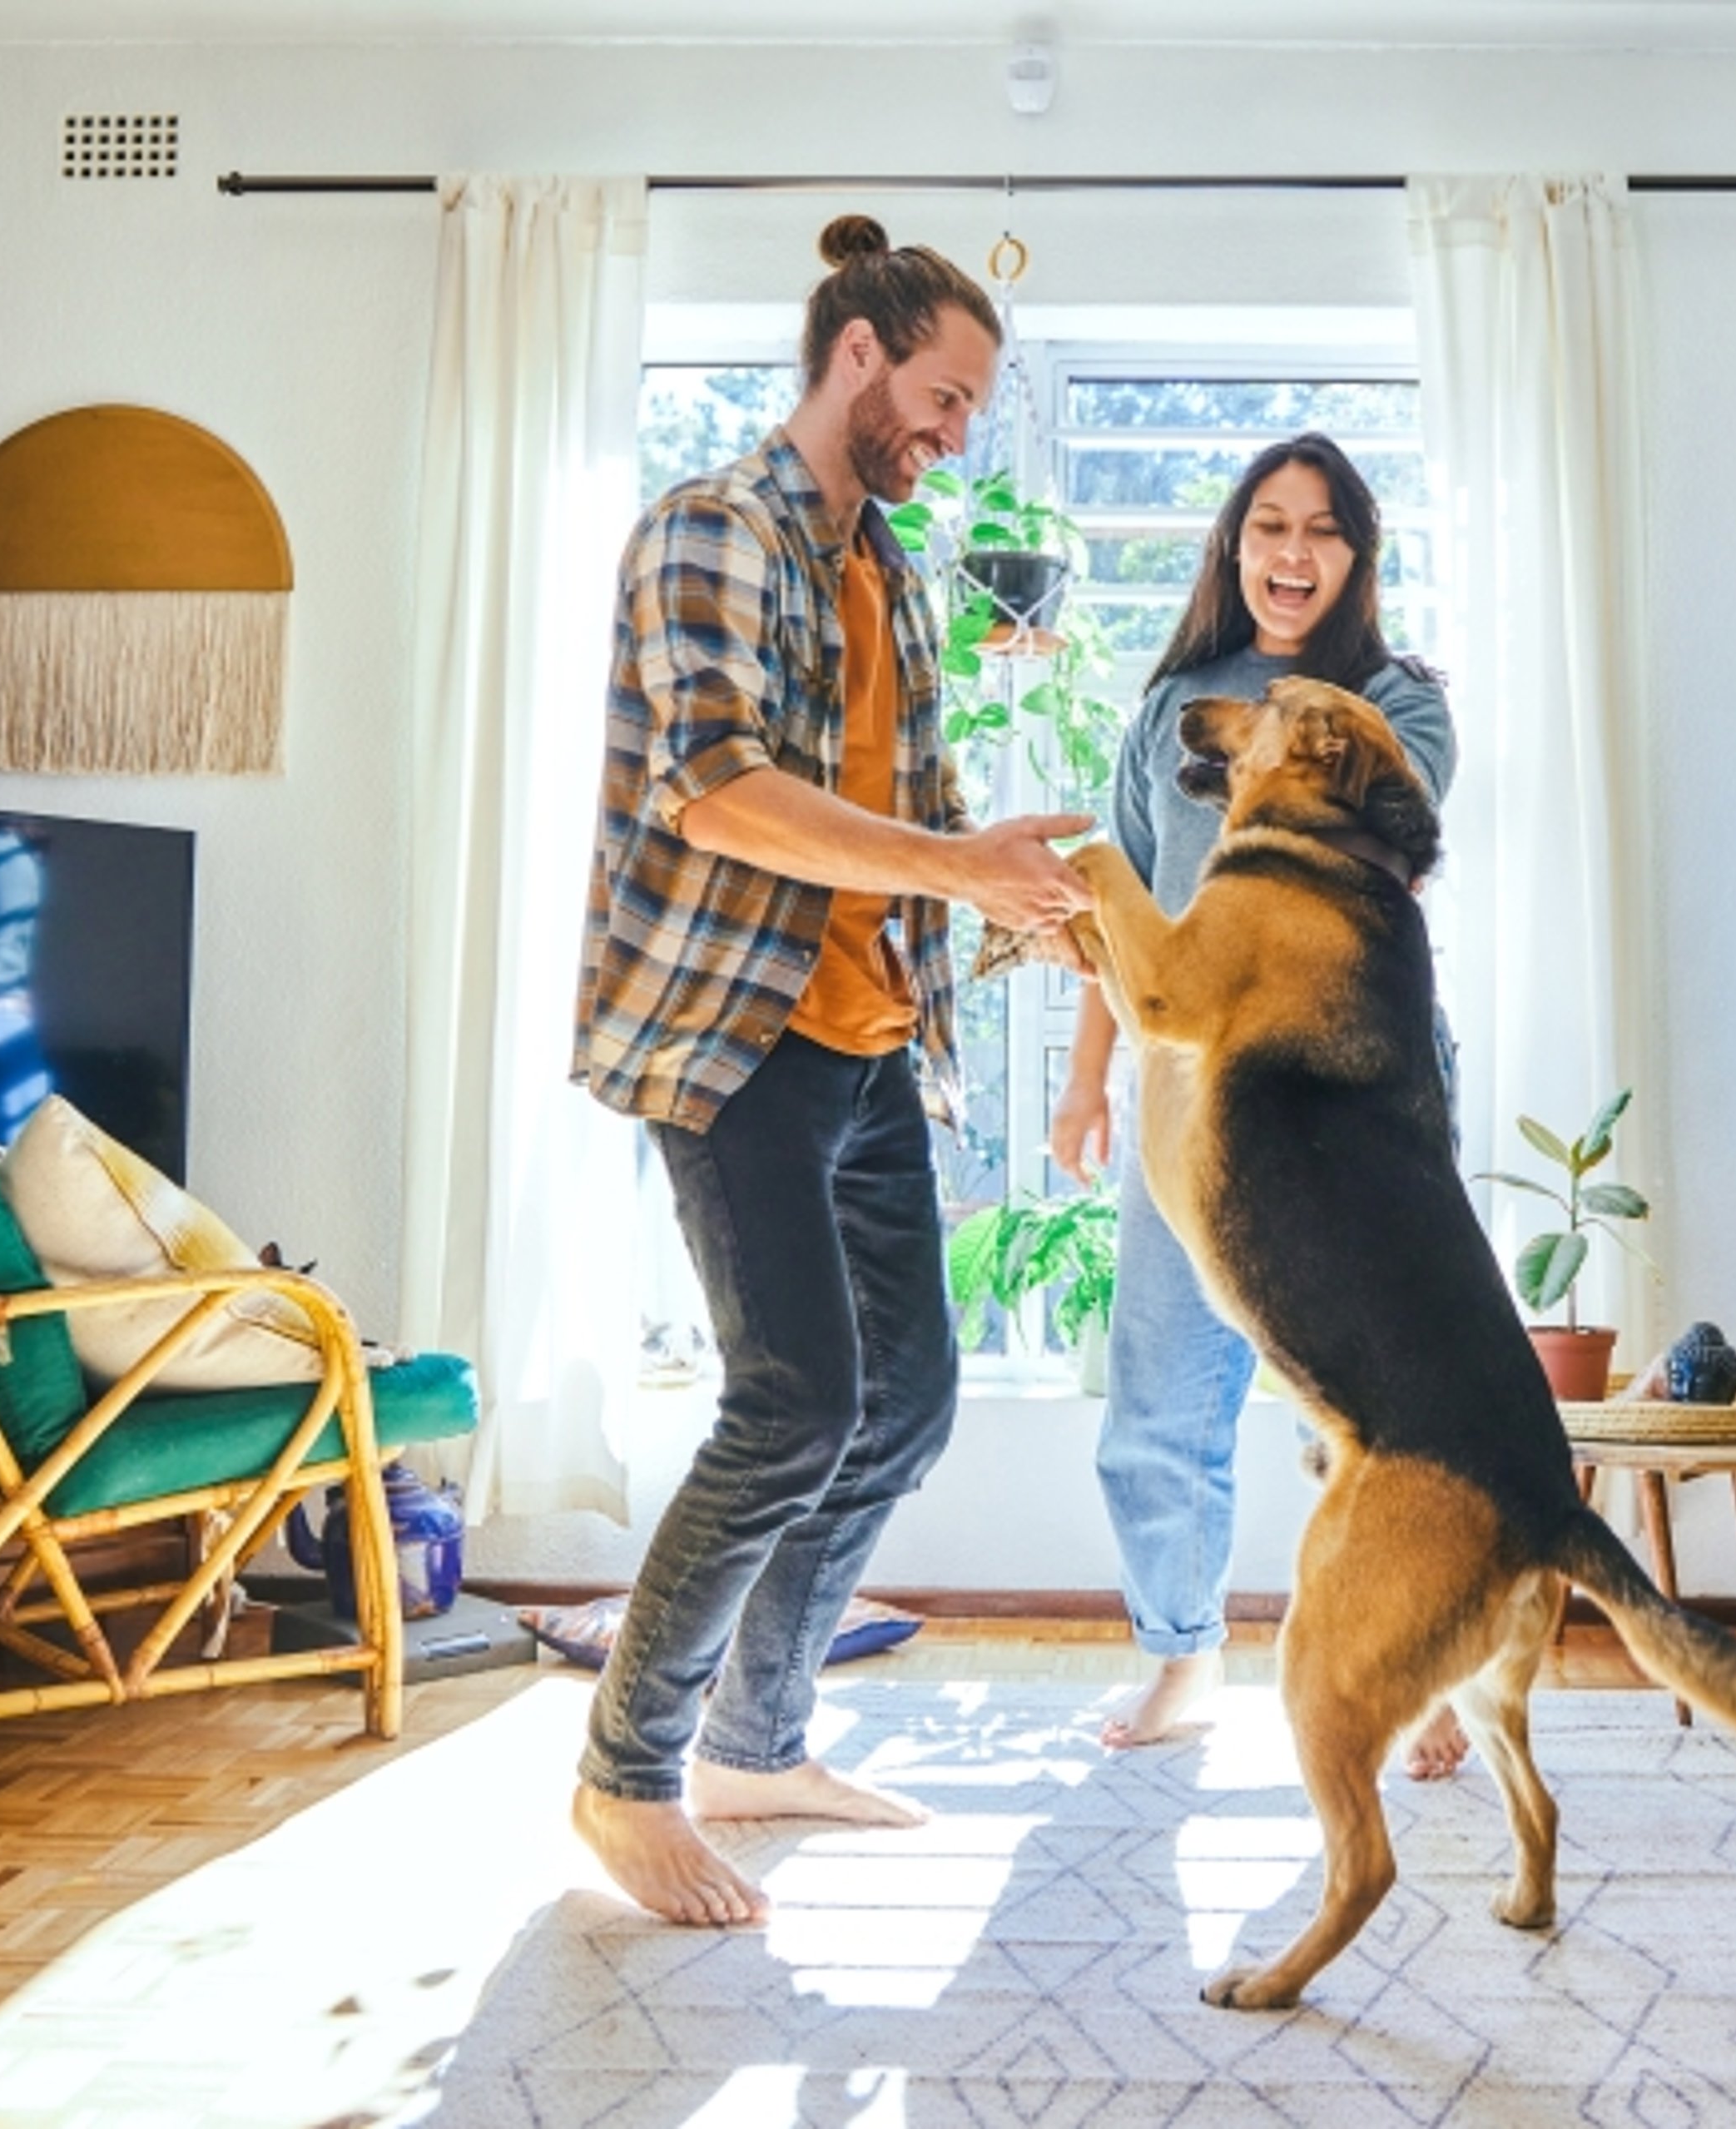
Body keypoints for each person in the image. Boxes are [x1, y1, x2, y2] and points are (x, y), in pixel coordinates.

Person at [567, 216, 1094, 1929]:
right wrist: (956, 868)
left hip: (867, 1044)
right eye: (942, 397)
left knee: (910, 1398)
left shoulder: (895, 573)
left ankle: (758, 1736)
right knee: (790, 1395)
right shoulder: (711, 530)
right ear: (857, 354)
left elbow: (916, 826)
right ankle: (626, 1772)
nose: (955, 436)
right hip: (733, 1038)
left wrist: (1034, 902)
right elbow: (718, 790)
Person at [1049, 434, 1471, 1774]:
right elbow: (1116, 903)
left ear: (1357, 556)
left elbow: (1368, 857)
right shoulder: (1176, 697)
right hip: (1190, 1100)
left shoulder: (1398, 706)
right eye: (1269, 527)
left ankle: (1410, 1659)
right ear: (1235, 546)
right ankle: (1183, 1651)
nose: (1293, 554)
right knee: (1161, 1392)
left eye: (1323, 530)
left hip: (1348, 1099)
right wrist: (1082, 1080)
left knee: (1365, 1399)